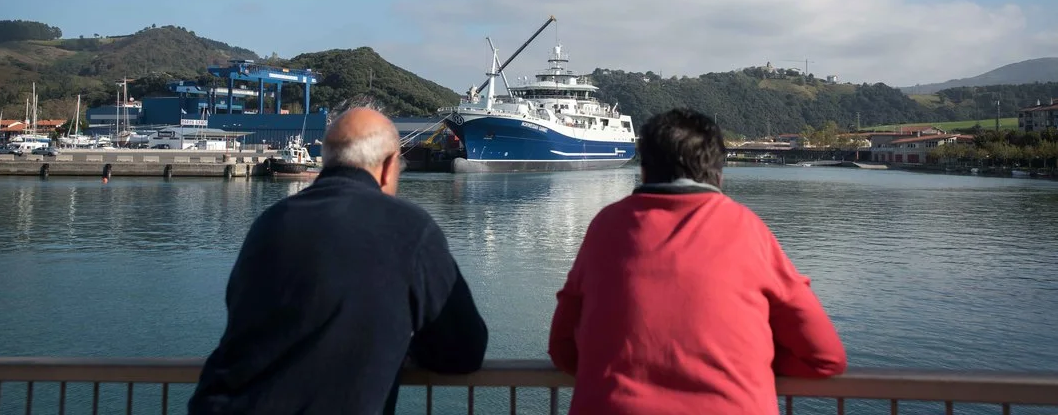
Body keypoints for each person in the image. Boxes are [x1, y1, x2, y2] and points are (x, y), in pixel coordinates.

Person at [188, 107, 488, 415]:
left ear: (327, 159)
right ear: (388, 166)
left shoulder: (270, 222)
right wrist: (400, 346)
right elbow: (464, 350)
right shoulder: (410, 228)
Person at [548, 108, 846, 414]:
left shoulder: (606, 226)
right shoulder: (746, 228)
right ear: (718, 174)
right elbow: (825, 357)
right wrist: (750, 363)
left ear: (644, 171)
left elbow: (562, 348)